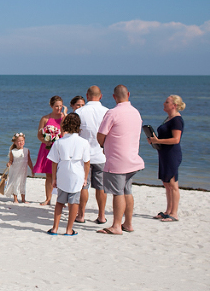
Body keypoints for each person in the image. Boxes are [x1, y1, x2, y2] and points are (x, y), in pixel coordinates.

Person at [96, 85, 144, 235]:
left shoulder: (112, 113)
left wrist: (103, 145)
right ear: (128, 94)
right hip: (132, 158)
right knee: (127, 191)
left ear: (114, 97)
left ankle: (117, 225)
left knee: (118, 193)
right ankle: (128, 223)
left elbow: (100, 134)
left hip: (117, 160)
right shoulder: (136, 112)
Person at [46, 114, 90, 236]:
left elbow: (54, 162)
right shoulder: (84, 142)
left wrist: (54, 178)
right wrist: (85, 178)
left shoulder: (59, 142)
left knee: (60, 201)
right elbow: (87, 163)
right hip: (77, 172)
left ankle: (55, 228)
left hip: (63, 171)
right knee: (74, 202)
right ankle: (69, 229)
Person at [147, 95, 185, 222]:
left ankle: (174, 213)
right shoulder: (169, 119)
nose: (164, 103)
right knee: (166, 183)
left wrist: (158, 140)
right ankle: (168, 211)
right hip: (164, 153)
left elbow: (176, 139)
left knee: (173, 183)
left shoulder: (177, 120)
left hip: (172, 154)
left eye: (167, 102)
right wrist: (154, 141)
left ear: (174, 105)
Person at [75, 86, 109, 224]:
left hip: (84, 155)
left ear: (87, 96)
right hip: (101, 154)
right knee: (101, 187)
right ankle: (101, 215)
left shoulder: (79, 112)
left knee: (84, 186)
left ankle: (81, 215)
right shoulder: (107, 112)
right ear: (100, 96)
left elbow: (75, 133)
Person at [34, 96, 67, 205]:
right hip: (48, 148)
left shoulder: (64, 118)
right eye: (56, 106)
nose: (59, 108)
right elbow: (39, 135)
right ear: (51, 106)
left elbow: (67, 132)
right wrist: (45, 141)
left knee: (62, 174)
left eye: (61, 106)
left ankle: (63, 200)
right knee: (49, 175)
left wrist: (65, 115)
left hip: (61, 148)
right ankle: (48, 199)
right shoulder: (45, 118)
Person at [5, 132, 33, 203]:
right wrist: (9, 164)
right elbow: (11, 160)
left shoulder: (26, 150)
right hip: (15, 170)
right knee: (15, 183)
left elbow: (29, 161)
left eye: (22, 141)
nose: (21, 142)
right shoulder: (13, 151)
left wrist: (32, 169)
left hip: (23, 170)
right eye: (19, 141)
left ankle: (23, 199)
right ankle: (15, 199)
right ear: (15, 142)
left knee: (22, 183)